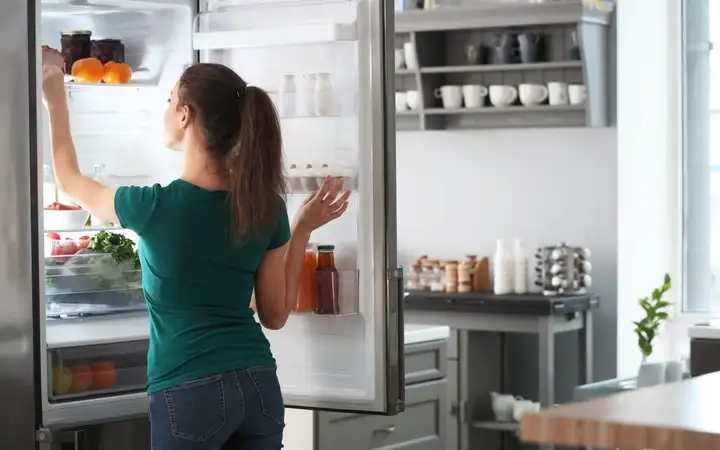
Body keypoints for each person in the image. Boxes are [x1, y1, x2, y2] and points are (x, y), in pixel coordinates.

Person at [41, 61, 350, 450]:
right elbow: (274, 315)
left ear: (186, 115)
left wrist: (54, 97)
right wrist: (301, 228)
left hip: (189, 390)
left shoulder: (154, 205)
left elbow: (69, 181)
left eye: (170, 100)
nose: (166, 109)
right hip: (258, 384)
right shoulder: (266, 206)